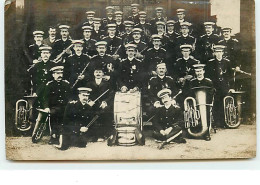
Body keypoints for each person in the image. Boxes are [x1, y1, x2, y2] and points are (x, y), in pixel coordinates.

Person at [183, 64, 214, 141]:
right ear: (195, 72)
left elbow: (212, 92)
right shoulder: (192, 82)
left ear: (203, 71)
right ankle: (194, 130)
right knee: (193, 114)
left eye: (200, 71)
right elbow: (189, 93)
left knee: (206, 114)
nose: (199, 73)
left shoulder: (208, 81)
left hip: (205, 103)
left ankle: (206, 133)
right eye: (197, 71)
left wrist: (208, 102)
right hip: (195, 103)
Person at [205, 45, 234, 128]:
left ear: (223, 53)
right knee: (216, 104)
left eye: (220, 52)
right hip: (214, 87)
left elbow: (231, 76)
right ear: (214, 53)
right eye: (217, 52)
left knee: (224, 104)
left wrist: (231, 87)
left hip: (224, 86)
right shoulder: (210, 63)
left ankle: (224, 122)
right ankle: (216, 122)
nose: (218, 54)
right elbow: (208, 76)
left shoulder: (227, 62)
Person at [43, 66, 71, 145]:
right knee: (53, 115)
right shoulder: (50, 85)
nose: (60, 75)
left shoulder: (66, 84)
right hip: (54, 107)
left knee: (68, 115)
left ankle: (65, 137)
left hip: (65, 106)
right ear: (53, 75)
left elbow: (70, 96)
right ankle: (54, 137)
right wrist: (46, 107)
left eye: (61, 73)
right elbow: (45, 98)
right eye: (57, 73)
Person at [86, 67, 114, 141]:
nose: (98, 74)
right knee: (89, 113)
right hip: (93, 104)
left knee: (106, 112)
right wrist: (89, 101)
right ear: (94, 73)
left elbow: (111, 95)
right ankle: (92, 135)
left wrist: (105, 101)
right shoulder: (89, 83)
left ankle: (104, 134)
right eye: (96, 72)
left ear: (103, 74)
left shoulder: (107, 84)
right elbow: (86, 94)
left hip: (103, 104)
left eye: (100, 72)